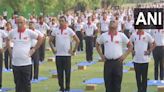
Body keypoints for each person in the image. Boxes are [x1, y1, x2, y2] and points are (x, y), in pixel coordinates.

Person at [96, 17, 133, 92]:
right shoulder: (104, 35)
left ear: (116, 27)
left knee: (117, 85)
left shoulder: (121, 35)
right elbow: (97, 44)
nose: (112, 28)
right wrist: (101, 55)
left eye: (114, 26)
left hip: (118, 62)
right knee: (108, 84)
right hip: (108, 62)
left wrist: (124, 56)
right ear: (109, 27)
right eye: (111, 26)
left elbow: (130, 45)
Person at [7, 16, 42, 92]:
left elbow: (40, 38)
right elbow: (7, 40)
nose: (19, 24)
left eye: (21, 22)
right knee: (18, 84)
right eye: (18, 22)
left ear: (25, 23)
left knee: (26, 84)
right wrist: (10, 51)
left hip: (26, 63)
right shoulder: (13, 32)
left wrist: (33, 49)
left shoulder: (29, 32)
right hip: (16, 64)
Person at [49, 16, 79, 92]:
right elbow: (50, 41)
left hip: (67, 55)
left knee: (67, 72)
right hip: (58, 55)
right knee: (59, 72)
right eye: (60, 21)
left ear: (65, 22)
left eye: (62, 21)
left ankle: (67, 87)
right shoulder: (55, 30)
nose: (61, 22)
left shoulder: (69, 30)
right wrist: (53, 49)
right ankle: (61, 87)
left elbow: (77, 40)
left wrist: (73, 50)